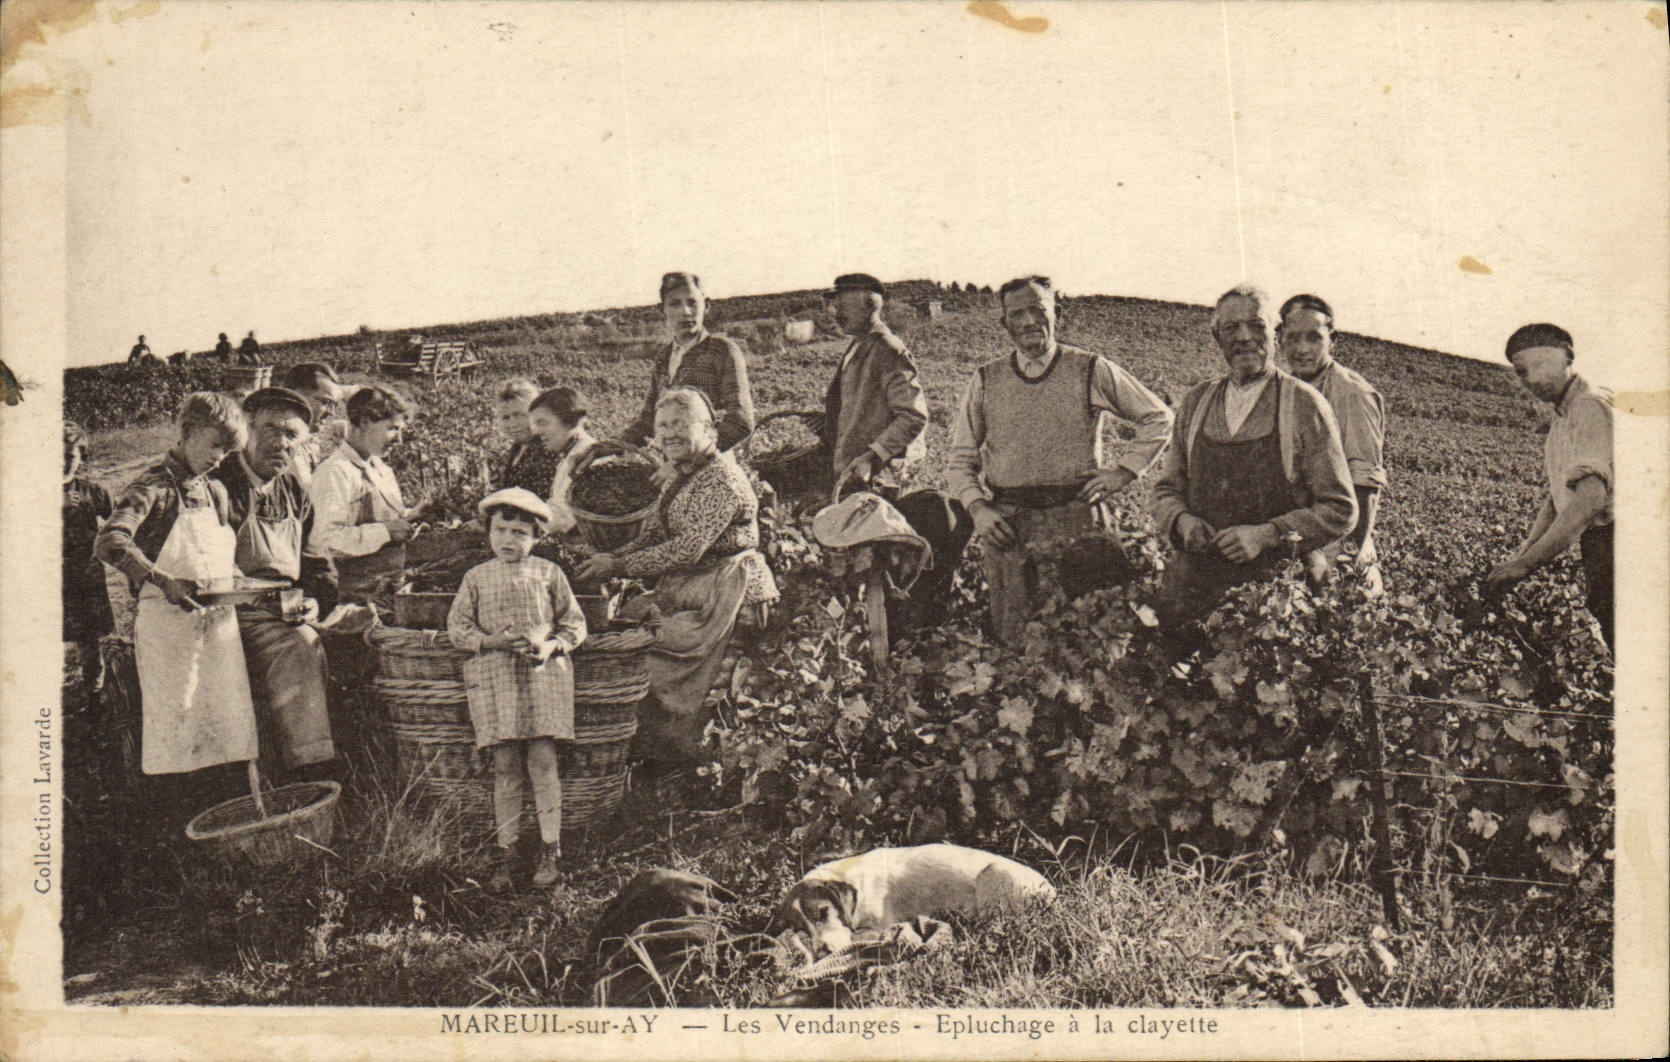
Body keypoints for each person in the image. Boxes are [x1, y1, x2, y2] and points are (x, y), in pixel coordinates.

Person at [946, 275, 1174, 644]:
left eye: (1038, 310)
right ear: (1004, 323)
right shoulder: (987, 379)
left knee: (1089, 638)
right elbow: (961, 459)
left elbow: (1158, 418)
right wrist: (977, 509)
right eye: (1016, 314)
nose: (1028, 322)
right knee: (1016, 641)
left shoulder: (1089, 368)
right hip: (1009, 529)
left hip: (1077, 521)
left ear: (1058, 313)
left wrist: (1124, 472)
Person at [577, 388, 778, 766]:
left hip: (728, 592)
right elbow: (653, 536)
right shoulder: (682, 474)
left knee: (652, 647)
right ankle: (656, 747)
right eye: (663, 426)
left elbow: (688, 549)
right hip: (693, 584)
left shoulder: (722, 479)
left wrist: (619, 567)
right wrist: (609, 558)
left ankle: (688, 756)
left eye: (681, 425)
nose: (669, 434)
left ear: (710, 431)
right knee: (634, 619)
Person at [1151, 285, 1358, 630]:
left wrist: (1267, 535)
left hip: (1277, 601)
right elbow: (1165, 491)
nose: (1245, 338)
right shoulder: (1197, 402)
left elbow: (1340, 509)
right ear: (1216, 337)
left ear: (1275, 334)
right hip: (1195, 592)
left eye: (1256, 325)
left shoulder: (1304, 405)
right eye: (1231, 328)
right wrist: (1182, 522)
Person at [95, 392, 259, 776]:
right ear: (186, 432)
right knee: (177, 722)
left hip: (219, 626)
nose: (219, 457)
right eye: (214, 445)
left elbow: (218, 554)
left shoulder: (215, 491)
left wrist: (240, 583)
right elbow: (109, 542)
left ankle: (227, 804)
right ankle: (177, 812)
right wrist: (161, 579)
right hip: (168, 628)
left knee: (228, 720)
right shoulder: (152, 488)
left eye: (228, 451)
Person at [447, 489, 587, 891]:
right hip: (496, 681)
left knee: (543, 762)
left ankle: (550, 847)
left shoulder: (548, 573)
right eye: (501, 530)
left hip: (541, 678)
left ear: (537, 536)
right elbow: (458, 628)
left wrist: (550, 645)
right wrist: (492, 642)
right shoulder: (476, 577)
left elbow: (574, 624)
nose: (508, 540)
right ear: (488, 532)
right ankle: (507, 851)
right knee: (506, 767)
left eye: (520, 532)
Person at [210, 388, 340, 774]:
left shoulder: (293, 491)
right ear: (246, 430)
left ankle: (335, 751)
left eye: (291, 435)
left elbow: (317, 564)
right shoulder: (220, 483)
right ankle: (310, 767)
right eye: (270, 429)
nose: (280, 443)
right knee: (300, 645)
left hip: (284, 607)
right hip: (231, 608)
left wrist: (317, 599)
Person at [1485, 324, 1614, 650]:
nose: (1532, 379)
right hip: (1600, 545)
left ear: (1568, 356)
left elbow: (1590, 499)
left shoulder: (1588, 406)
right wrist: (1520, 558)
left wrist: (1527, 564)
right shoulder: (1562, 418)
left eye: (1541, 365)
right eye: (1522, 372)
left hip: (1615, 543)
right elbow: (1558, 500)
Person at [1278, 294, 1387, 595]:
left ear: (1332, 339)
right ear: (1280, 339)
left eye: (1313, 338)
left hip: (1337, 546)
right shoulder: (1286, 390)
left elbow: (1365, 484)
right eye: (1293, 338)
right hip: (1298, 541)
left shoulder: (1352, 393)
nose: (1301, 349)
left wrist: (1343, 562)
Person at [309, 384, 428, 601]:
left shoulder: (381, 469)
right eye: (393, 429)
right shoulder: (335, 472)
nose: (399, 440)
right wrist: (385, 532)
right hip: (355, 595)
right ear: (364, 421)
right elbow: (327, 541)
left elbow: (386, 520)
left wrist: (412, 517)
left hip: (388, 587)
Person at [819, 273, 929, 496]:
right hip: (851, 474)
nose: (836, 314)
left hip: (875, 477)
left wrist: (873, 456)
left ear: (869, 307)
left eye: (843, 308)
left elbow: (913, 417)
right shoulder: (858, 345)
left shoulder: (887, 349)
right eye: (835, 307)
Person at [622, 272, 755, 452]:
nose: (685, 312)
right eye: (675, 304)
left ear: (706, 306)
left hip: (713, 461)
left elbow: (741, 420)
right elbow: (648, 419)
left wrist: (693, 461)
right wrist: (610, 445)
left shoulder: (722, 350)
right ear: (662, 309)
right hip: (672, 461)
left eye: (692, 303)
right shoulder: (664, 356)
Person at [62, 421, 115, 694]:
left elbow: (120, 522)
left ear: (82, 457)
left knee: (89, 638)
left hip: (85, 576)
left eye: (70, 456)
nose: (62, 462)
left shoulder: (92, 491)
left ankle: (94, 691)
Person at [527, 386, 597, 537]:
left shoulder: (587, 459)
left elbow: (565, 521)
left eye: (543, 423)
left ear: (569, 421)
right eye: (535, 425)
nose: (537, 432)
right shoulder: (572, 453)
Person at [278, 361, 346, 490]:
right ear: (295, 395)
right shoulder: (283, 445)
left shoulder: (307, 440)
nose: (331, 413)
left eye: (335, 406)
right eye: (326, 402)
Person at [490, 378, 561, 498]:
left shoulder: (548, 451)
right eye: (505, 417)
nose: (513, 424)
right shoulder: (516, 449)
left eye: (519, 415)